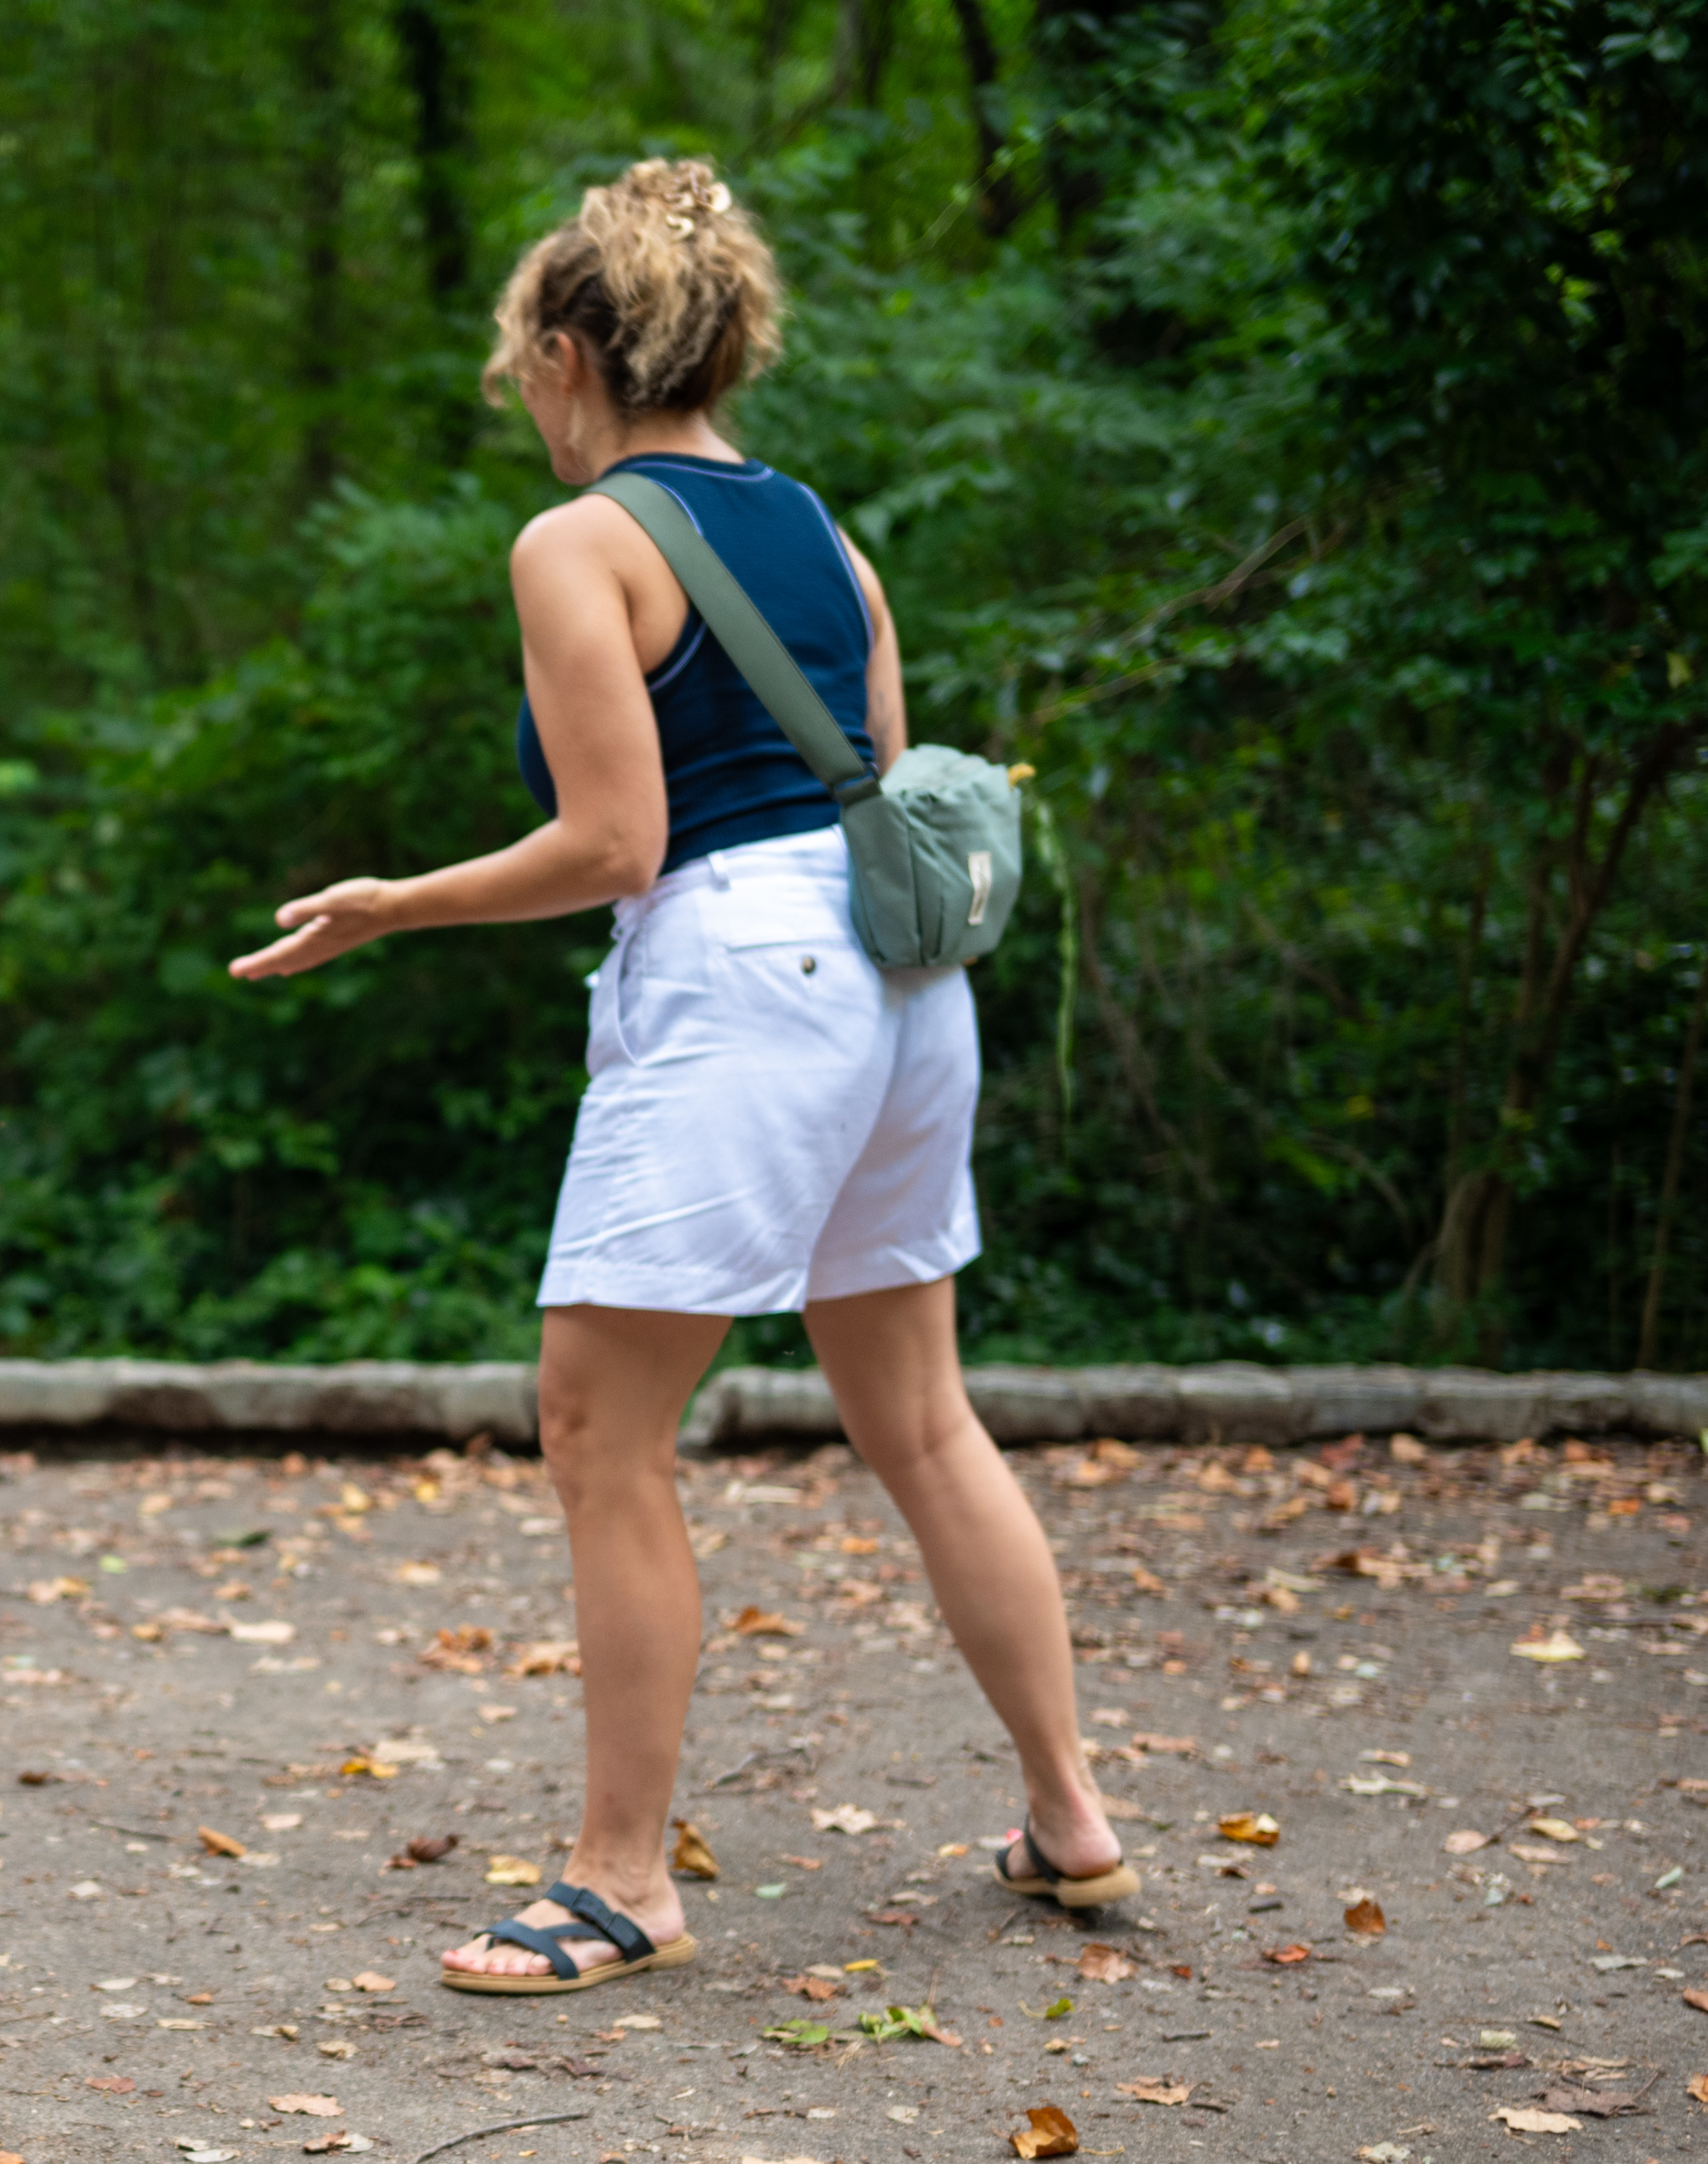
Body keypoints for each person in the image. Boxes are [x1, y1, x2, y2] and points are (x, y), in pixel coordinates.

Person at [226, 159, 1131, 1996]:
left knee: (595, 1425)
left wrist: (393, 903)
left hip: (738, 979)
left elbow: (618, 840)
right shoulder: (820, 527)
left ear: (572, 349)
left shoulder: (578, 542)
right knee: (923, 1418)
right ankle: (1067, 1818)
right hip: (894, 977)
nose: (520, 408)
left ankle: (618, 1874)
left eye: (519, 371)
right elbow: (864, 773)